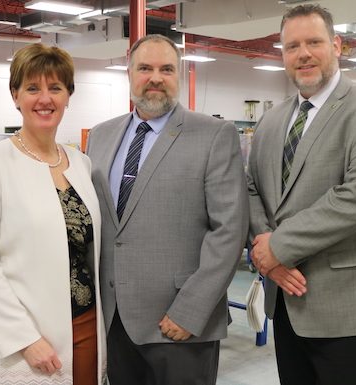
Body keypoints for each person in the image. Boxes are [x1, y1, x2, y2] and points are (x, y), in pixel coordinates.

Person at [247, 4, 356, 385]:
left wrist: (279, 247)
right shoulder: (272, 121)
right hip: (288, 300)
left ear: (337, 45)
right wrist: (266, 255)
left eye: (313, 42)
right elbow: (252, 188)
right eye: (292, 46)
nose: (303, 53)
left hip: (353, 304)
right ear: (282, 53)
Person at [87, 34, 247, 385]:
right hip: (115, 322)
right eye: (145, 68)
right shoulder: (101, 135)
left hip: (180, 324)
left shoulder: (214, 135)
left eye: (166, 69)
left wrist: (190, 311)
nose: (155, 78)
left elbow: (230, 231)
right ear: (129, 74)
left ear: (179, 76)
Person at [0, 43, 105, 385]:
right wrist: (25, 338)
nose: (45, 99)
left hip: (86, 328)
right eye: (33, 88)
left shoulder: (81, 165)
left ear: (68, 96)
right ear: (15, 95)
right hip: (22, 343)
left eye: (55, 88)